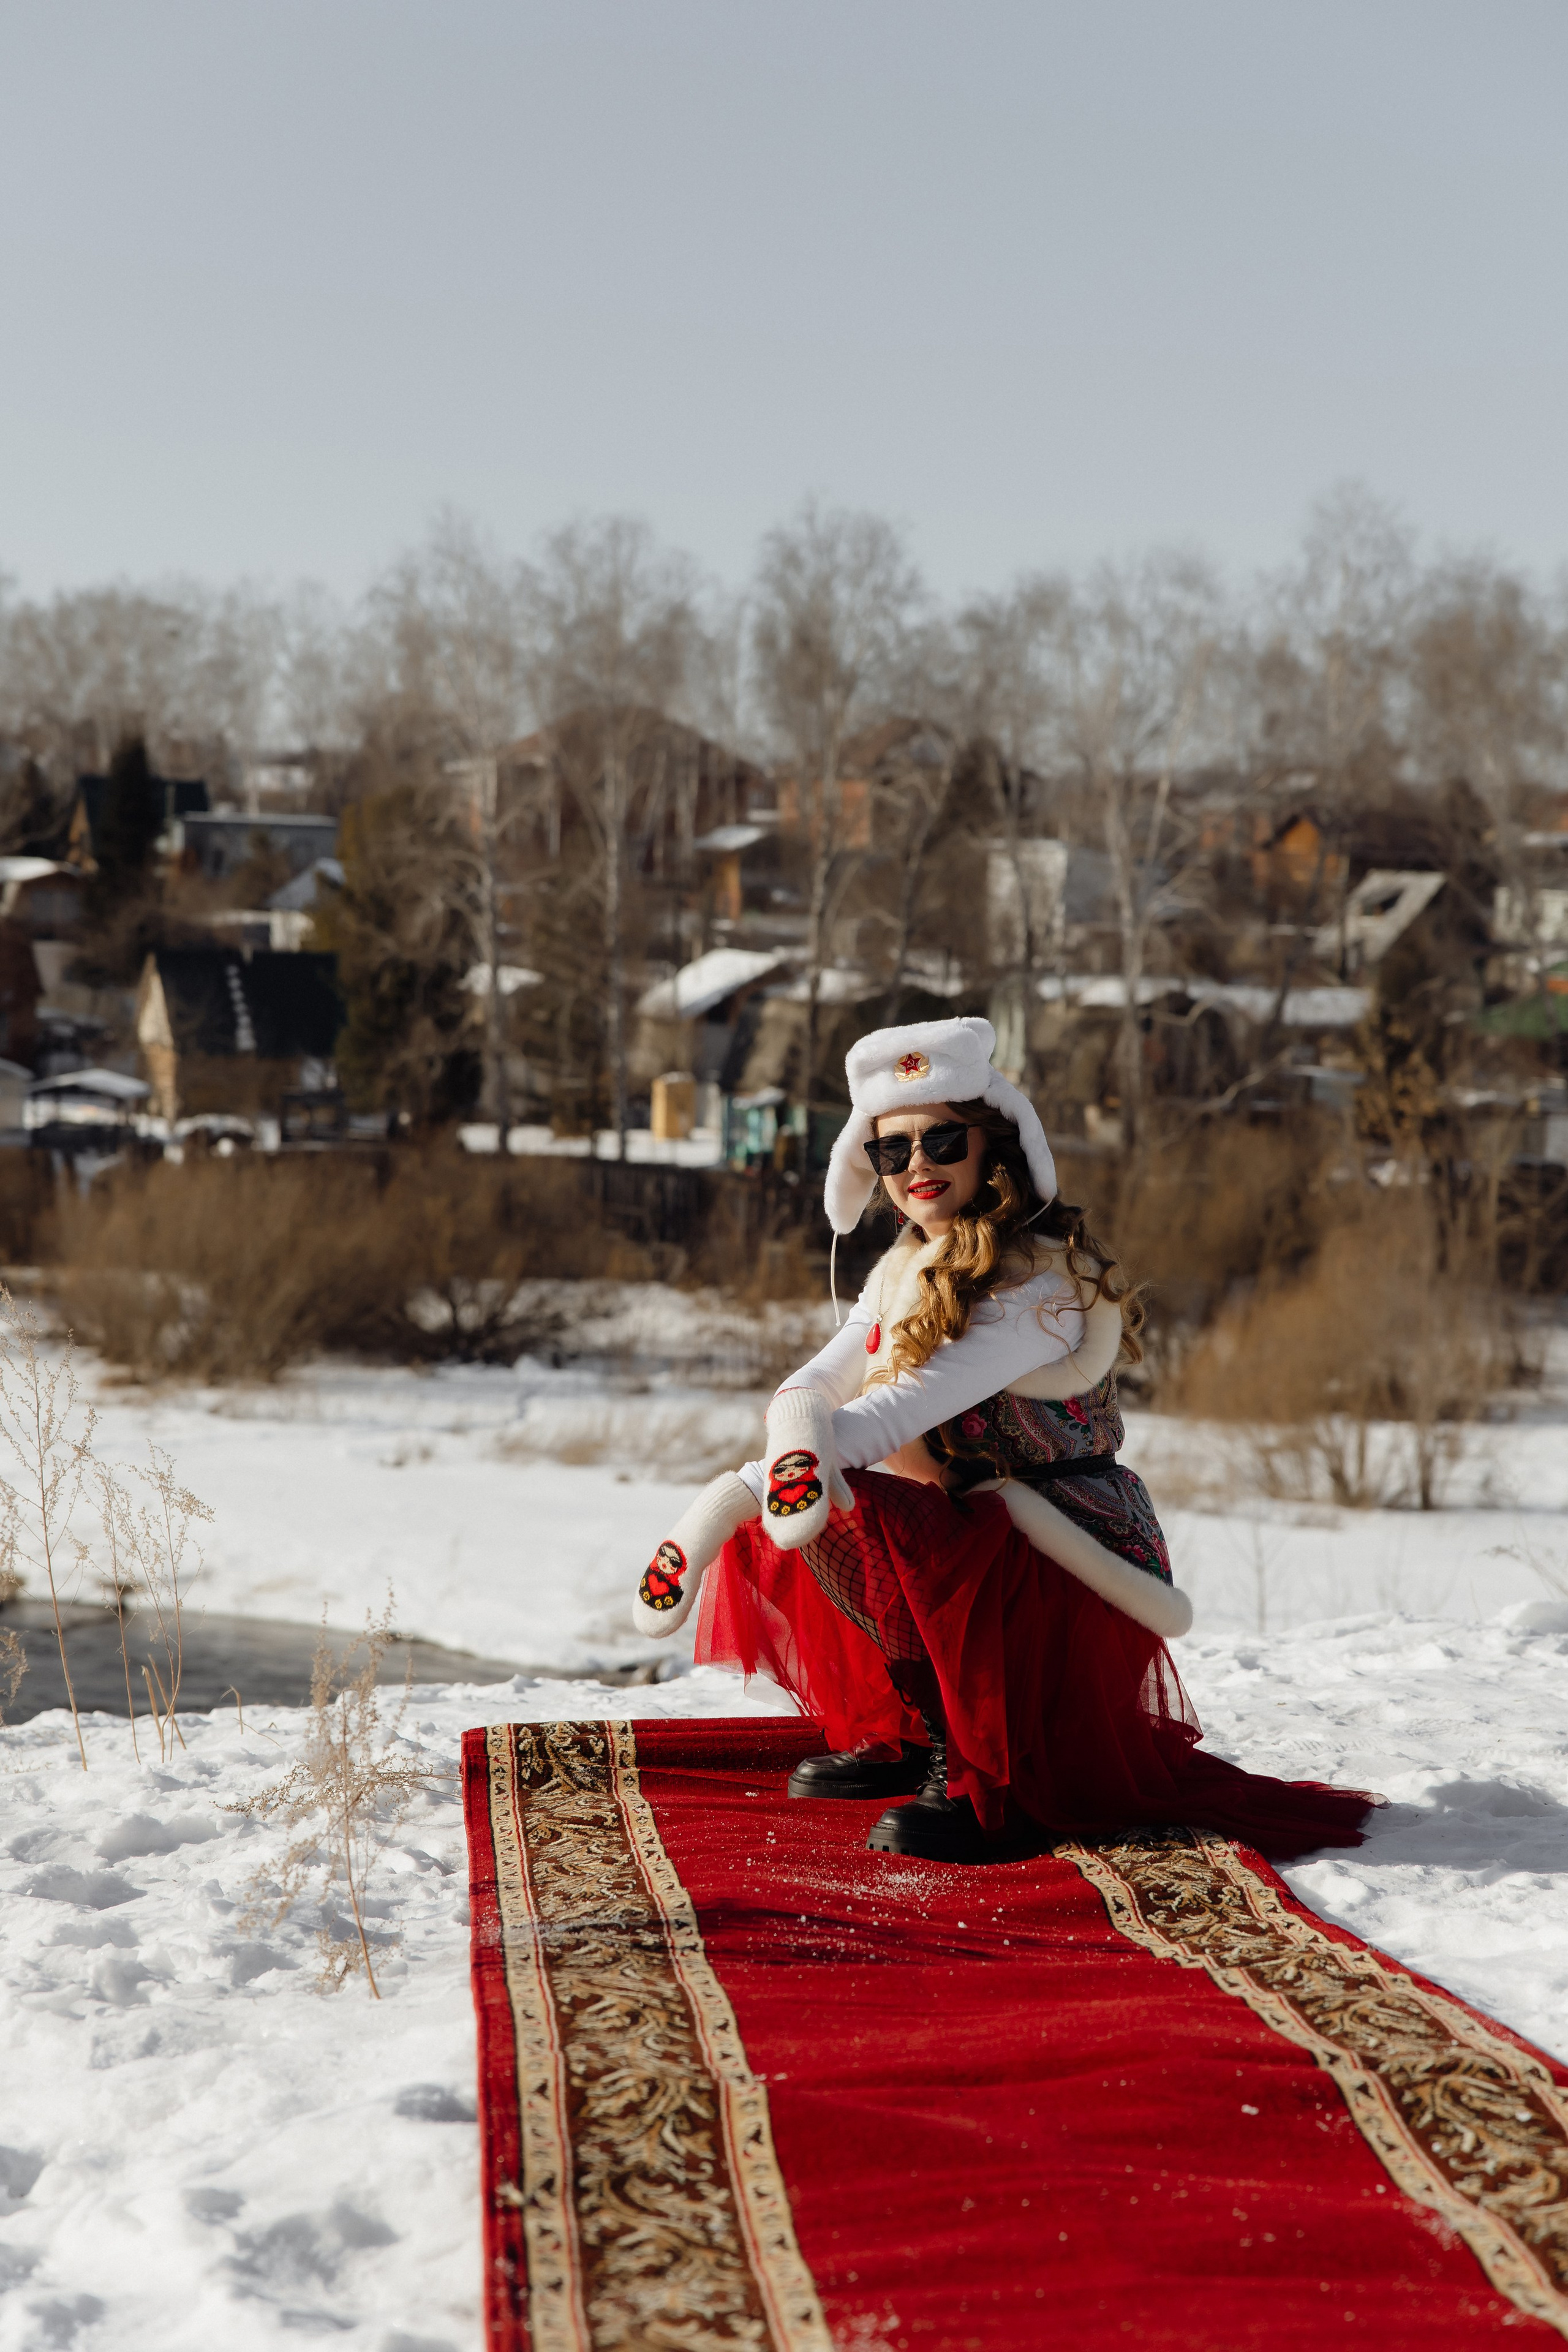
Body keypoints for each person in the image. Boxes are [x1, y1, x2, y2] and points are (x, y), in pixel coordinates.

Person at [631, 1016, 1376, 1865]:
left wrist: (781, 1467)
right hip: (973, 1542)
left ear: (995, 1147)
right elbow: (814, 1386)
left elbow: (891, 1417)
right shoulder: (907, 1266)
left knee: (851, 1503)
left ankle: (979, 1766)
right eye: (891, 1151)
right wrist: (740, 1491)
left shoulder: (1041, 1282)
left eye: (942, 1140)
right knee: (810, 1504)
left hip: (1056, 1565)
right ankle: (917, 1729)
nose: (917, 1167)